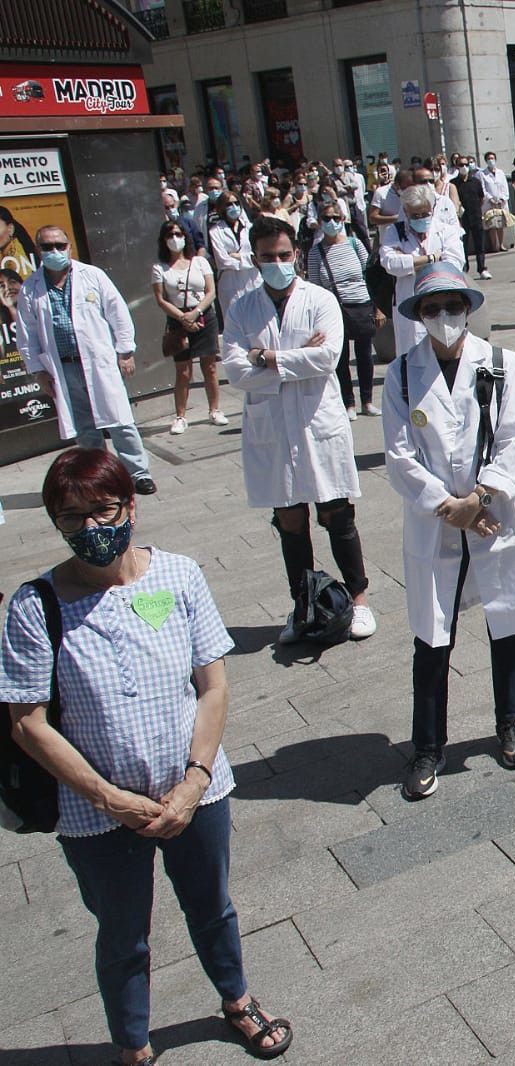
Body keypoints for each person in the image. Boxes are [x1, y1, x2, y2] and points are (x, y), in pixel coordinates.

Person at [0, 448, 294, 1066]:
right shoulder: (36, 606)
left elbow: (212, 685)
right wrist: (108, 797)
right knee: (123, 934)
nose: (90, 529)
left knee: (212, 906)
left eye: (103, 510)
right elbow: (27, 724)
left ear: (131, 507)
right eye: (72, 517)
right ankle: (134, 1043)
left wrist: (194, 780)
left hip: (195, 791)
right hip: (96, 813)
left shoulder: (179, 576)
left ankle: (237, 1001)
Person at [380, 262, 515, 800]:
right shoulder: (402, 374)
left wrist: (478, 498)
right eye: (432, 309)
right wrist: (446, 506)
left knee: (506, 620)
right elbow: (399, 455)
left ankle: (509, 720)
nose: (444, 317)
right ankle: (428, 746)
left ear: (469, 308)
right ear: (419, 315)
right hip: (436, 521)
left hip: (492, 511)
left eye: (453, 306)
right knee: (433, 634)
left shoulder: (501, 363)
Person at [219, 217, 376, 643]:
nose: (277, 263)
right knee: (289, 518)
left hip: (317, 421)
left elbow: (327, 357)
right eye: (268, 257)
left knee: (335, 513)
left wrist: (266, 358)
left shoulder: (320, 299)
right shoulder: (241, 307)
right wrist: (289, 360)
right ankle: (303, 606)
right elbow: (234, 369)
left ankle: (358, 598)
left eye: (284, 255)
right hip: (272, 427)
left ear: (297, 257)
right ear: (254, 258)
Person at [17, 226, 156, 495]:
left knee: (120, 422)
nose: (55, 251)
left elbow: (118, 313)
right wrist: (37, 371)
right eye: (47, 247)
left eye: (60, 245)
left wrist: (125, 351)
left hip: (99, 362)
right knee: (85, 429)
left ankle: (138, 474)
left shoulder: (92, 276)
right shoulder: (30, 288)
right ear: (38, 251)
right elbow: (27, 334)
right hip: (63, 367)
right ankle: (101, 477)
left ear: (69, 247)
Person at [306, 198, 384, 418]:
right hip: (335, 309)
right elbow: (315, 287)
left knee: (364, 356)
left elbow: (371, 277)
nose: (331, 222)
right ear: (319, 221)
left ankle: (367, 401)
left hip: (362, 304)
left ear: (342, 219)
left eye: (335, 217)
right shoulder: (316, 253)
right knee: (340, 359)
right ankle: (348, 403)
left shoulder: (354, 244)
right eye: (326, 218)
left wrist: (378, 308)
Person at [151, 219, 224, 434]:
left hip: (203, 315)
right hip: (178, 319)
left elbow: (211, 291)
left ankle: (214, 410)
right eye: (170, 235)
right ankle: (180, 416)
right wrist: (183, 318)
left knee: (209, 367)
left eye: (179, 234)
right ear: (164, 240)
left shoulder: (199, 262)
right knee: (183, 371)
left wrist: (196, 312)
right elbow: (161, 298)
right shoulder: (159, 268)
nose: (175, 239)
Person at [381, 183, 467, 361]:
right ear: (405, 211)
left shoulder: (447, 231)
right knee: (412, 358)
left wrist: (410, 263)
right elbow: (390, 264)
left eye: (424, 214)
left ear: (433, 208)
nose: (420, 218)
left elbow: (454, 264)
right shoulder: (394, 232)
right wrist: (432, 259)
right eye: (415, 215)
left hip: (442, 300)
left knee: (446, 352)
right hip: (408, 300)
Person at [206, 192, 257, 323]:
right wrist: (248, 260)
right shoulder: (215, 231)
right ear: (222, 208)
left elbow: (257, 255)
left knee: (256, 320)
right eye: (229, 204)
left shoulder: (250, 228)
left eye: (236, 203)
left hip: (252, 280)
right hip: (230, 283)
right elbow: (222, 261)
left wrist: (239, 257)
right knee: (234, 323)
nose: (234, 207)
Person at [452, 161, 490, 279]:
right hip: (462, 218)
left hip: (476, 216)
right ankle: (464, 268)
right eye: (461, 165)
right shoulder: (453, 183)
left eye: (466, 164)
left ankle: (482, 268)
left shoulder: (475, 182)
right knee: (463, 244)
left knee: (480, 243)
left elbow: (481, 198)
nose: (464, 167)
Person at [478, 152, 511, 255]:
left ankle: (501, 244)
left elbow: (505, 187)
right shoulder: (482, 174)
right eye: (488, 158)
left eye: (492, 158)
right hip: (489, 203)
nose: (490, 160)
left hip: (501, 202)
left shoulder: (501, 173)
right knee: (492, 225)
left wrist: (502, 199)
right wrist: (490, 199)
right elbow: (483, 189)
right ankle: (494, 245)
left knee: (501, 224)